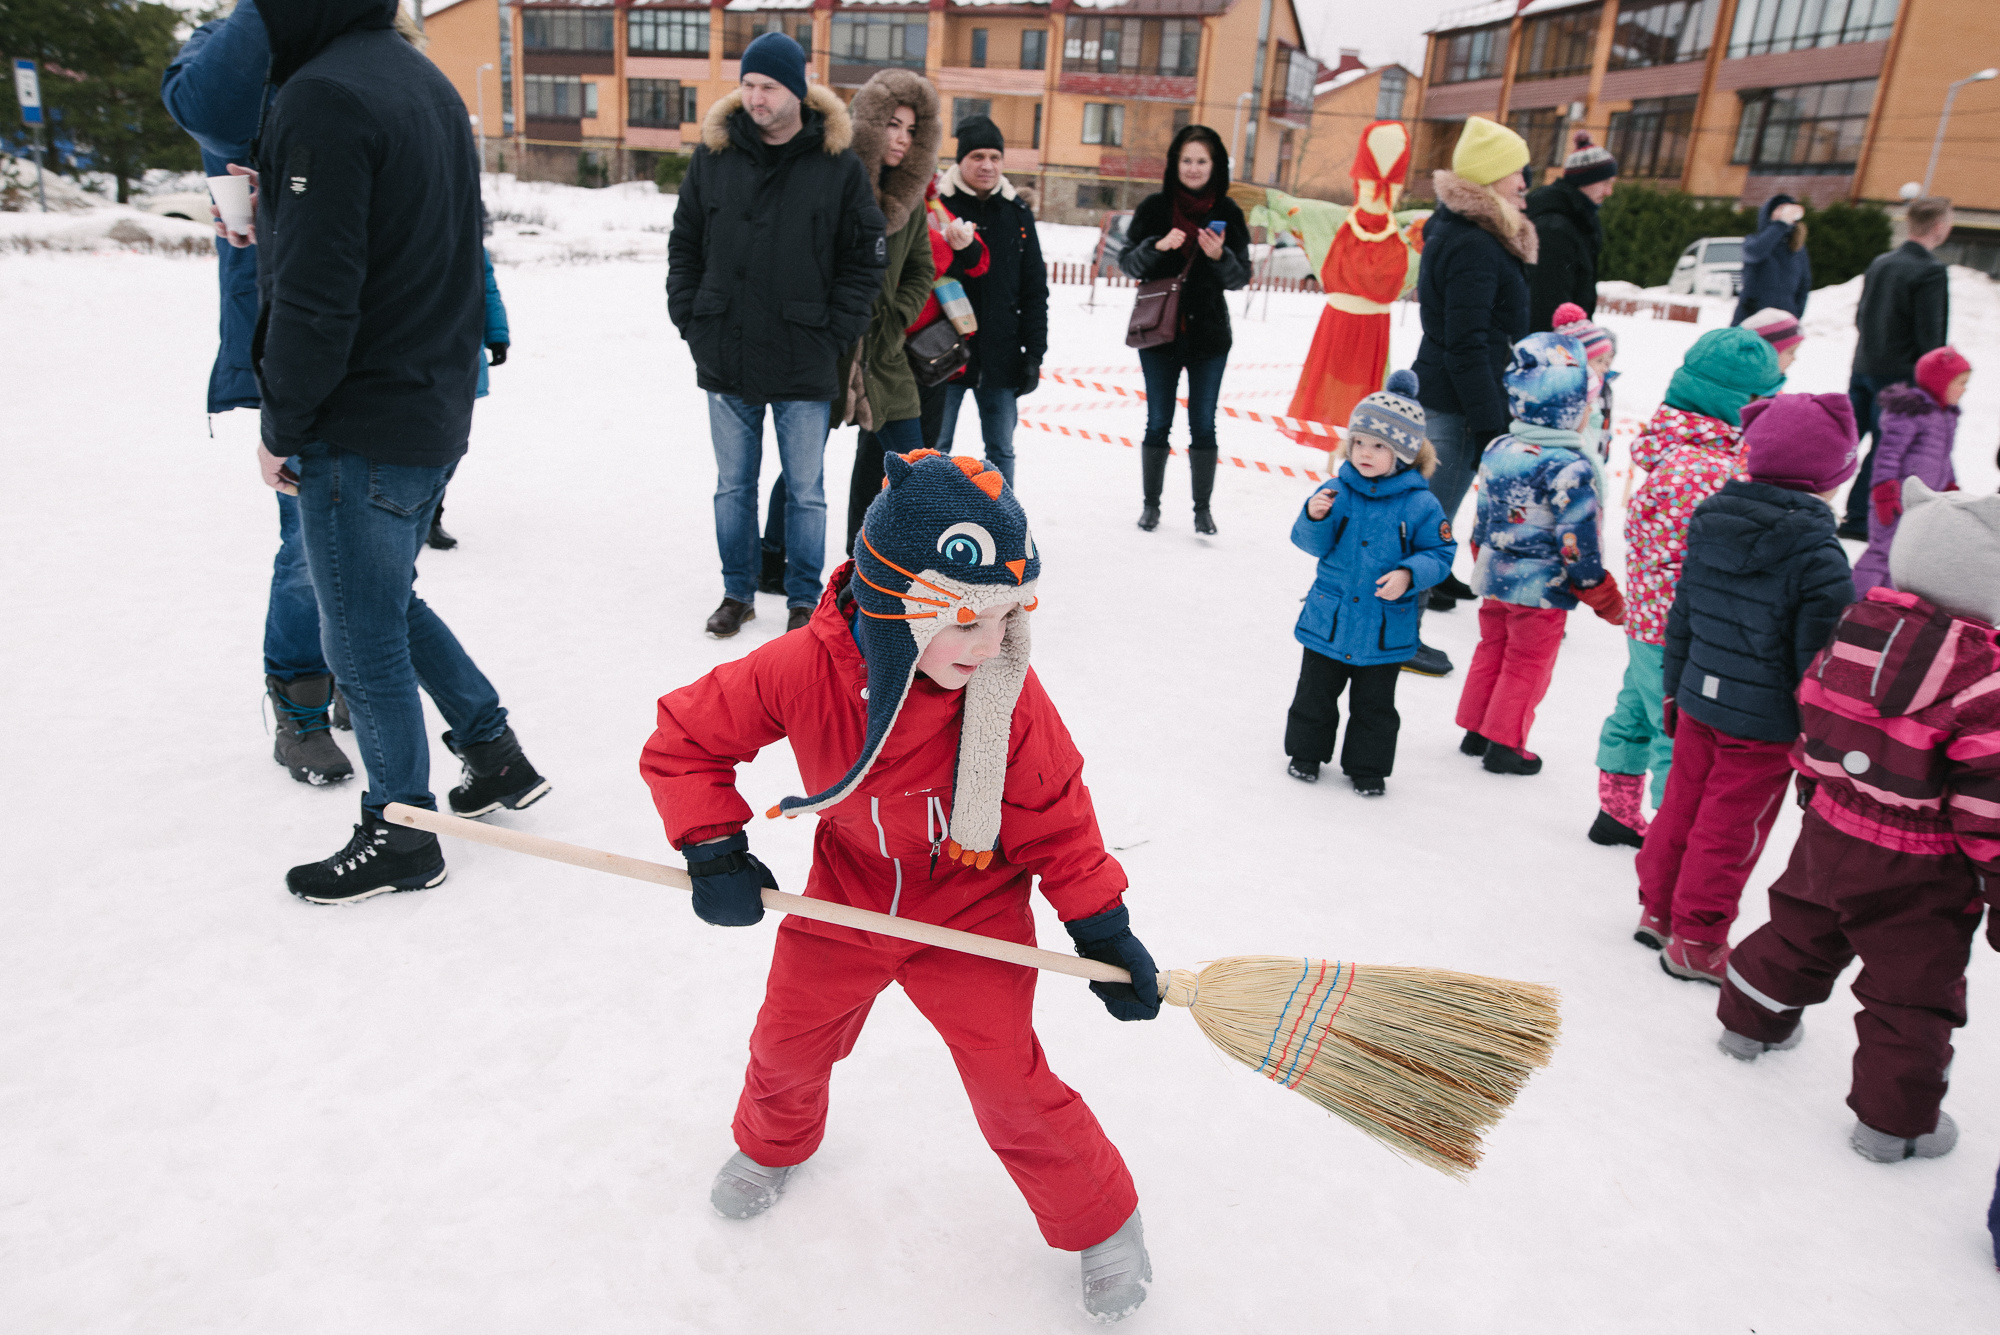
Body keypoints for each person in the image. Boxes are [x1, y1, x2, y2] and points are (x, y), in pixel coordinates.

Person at [640, 449, 1158, 1322]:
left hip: (972, 905)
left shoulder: (1005, 695)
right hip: (842, 897)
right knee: (787, 1043)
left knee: (1007, 1077)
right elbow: (688, 736)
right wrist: (712, 845)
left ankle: (1101, 1219)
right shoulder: (806, 668)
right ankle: (772, 1145)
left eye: (1006, 616)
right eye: (964, 621)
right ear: (893, 607)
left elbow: (1057, 814)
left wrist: (1101, 923)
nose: (992, 644)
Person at [245, 0, 551, 902]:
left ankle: (402, 828)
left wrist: (281, 422)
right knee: (378, 591)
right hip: (428, 401)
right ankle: (491, 751)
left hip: (364, 413)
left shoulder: (323, 96)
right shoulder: (421, 79)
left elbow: (317, 292)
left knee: (360, 628)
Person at [1716, 484, 2000, 1164]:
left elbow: (1813, 708)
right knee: (1912, 992)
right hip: (1922, 868)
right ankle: (1892, 1122)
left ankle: (1747, 1025)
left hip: (1833, 828)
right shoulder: (1985, 679)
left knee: (1797, 929)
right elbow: (1988, 798)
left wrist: (1815, 785)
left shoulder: (1855, 629)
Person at [163, 0, 356, 787]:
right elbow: (204, 104)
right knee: (309, 543)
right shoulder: (239, 54)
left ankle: (348, 665)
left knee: (378, 535)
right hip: (291, 339)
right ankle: (301, 706)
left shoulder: (362, 50)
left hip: (378, 341)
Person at [667, 32, 885, 639]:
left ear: (797, 89)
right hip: (726, 348)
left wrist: (836, 330)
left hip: (803, 352)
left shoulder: (836, 165)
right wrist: (691, 317)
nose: (755, 98)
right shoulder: (715, 157)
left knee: (807, 491)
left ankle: (802, 600)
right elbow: (684, 243)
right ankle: (737, 593)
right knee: (732, 485)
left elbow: (865, 259)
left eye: (768, 87)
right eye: (748, 85)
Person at [1638, 394, 1858, 982]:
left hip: (1697, 702)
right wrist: (1819, 736)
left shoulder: (1712, 518)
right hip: (1763, 726)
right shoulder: (1820, 554)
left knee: (1681, 806)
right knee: (1731, 828)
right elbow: (1820, 660)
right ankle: (1697, 940)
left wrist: (1672, 690)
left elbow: (1682, 615)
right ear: (1828, 474)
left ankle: (1657, 909)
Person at [1590, 328, 1782, 847]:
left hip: (1651, 621)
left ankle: (1617, 812)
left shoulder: (1686, 451)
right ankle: (1674, 836)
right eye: (1765, 400)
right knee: (1677, 736)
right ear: (1738, 403)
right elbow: (1705, 557)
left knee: (1636, 708)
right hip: (1680, 628)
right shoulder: (1706, 467)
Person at [1456, 333, 1624, 776]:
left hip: (1493, 571)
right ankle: (1504, 744)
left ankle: (1476, 728)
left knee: (1492, 645)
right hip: (1542, 587)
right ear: (1568, 409)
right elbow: (1578, 538)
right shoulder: (1569, 466)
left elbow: (1484, 515)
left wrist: (1482, 556)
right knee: (1527, 662)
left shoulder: (1499, 448)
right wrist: (1598, 590)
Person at [1284, 371, 1455, 797]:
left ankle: (1368, 767)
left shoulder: (1421, 504)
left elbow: (1441, 554)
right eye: (1359, 442)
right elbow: (1308, 543)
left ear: (1404, 454)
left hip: (1384, 628)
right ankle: (1305, 753)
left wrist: (1410, 573)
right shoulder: (1336, 490)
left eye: (1380, 446)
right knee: (1314, 694)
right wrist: (1315, 517)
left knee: (1375, 705)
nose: (1365, 452)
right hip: (1331, 618)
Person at [1409, 116, 1536, 676]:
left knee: (1422, 516)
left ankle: (1389, 624)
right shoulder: (1474, 245)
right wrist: (1488, 424)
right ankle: (1397, 634)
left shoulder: (1465, 232)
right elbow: (1466, 344)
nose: (1525, 183)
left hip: (1452, 394)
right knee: (1429, 523)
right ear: (1489, 178)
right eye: (1516, 172)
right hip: (1458, 404)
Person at [830, 69, 940, 591]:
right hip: (832, 350)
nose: (902, 138)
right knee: (802, 466)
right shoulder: (832, 184)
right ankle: (774, 556)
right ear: (871, 125)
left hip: (886, 353)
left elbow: (921, 267)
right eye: (893, 125)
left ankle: (898, 572)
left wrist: (897, 318)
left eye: (912, 130)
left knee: (910, 467)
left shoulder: (910, 198)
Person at [1119, 123, 1251, 536]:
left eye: (1202, 161)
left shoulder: (1228, 213)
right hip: (1158, 334)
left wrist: (1220, 256)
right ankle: (1151, 506)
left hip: (1209, 337)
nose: (1194, 168)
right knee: (1158, 420)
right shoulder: (1155, 209)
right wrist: (1154, 247)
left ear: (1215, 166)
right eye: (1187, 160)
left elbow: (1240, 276)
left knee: (1204, 422)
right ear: (1176, 163)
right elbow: (1126, 263)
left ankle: (1202, 509)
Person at [935, 117, 1046, 486]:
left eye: (995, 156)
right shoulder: (938, 207)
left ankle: (1003, 527)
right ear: (960, 160)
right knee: (935, 450)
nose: (987, 165)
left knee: (1000, 451)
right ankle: (924, 528)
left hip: (1001, 354)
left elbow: (1034, 290)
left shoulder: (1016, 214)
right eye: (978, 156)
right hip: (941, 352)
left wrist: (1034, 355)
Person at [1840, 195, 1954, 539]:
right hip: (1901, 375)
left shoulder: (1881, 262)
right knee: (1886, 447)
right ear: (1937, 226)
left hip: (1864, 365)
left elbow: (1861, 315)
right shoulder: (1931, 272)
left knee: (1845, 441)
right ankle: (1859, 519)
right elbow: (1931, 337)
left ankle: (1800, 494)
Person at [1852, 346, 1970, 593]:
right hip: (1894, 499)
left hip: (1922, 501)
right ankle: (1854, 600)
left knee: (1903, 556)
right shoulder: (1911, 412)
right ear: (1940, 383)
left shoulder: (1945, 415)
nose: (1964, 389)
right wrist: (1884, 490)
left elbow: (1943, 456)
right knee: (1883, 552)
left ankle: (1882, 604)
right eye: (1960, 382)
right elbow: (1887, 454)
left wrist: (1950, 485)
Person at [428, 245, 512, 552]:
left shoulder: (469, 238)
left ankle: (430, 516)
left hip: (460, 357)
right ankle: (414, 513)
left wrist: (497, 334)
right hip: (413, 358)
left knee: (447, 447)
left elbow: (486, 286)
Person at [1525, 132, 1616, 333]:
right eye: (1604, 182)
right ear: (1584, 180)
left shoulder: (1578, 220)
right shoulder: (1554, 228)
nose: (1609, 192)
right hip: (1554, 346)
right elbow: (1548, 301)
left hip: (1567, 338)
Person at [1730, 194, 1811, 327]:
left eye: (1788, 209)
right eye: (1780, 208)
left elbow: (1804, 284)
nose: (1785, 212)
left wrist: (1795, 314)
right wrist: (1780, 225)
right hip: (1752, 315)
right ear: (1769, 213)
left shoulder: (1797, 248)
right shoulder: (1754, 241)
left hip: (1783, 319)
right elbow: (1755, 253)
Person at [1739, 306, 1804, 374]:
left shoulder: (1764, 380)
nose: (1794, 358)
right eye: (1791, 352)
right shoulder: (1750, 382)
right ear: (1767, 352)